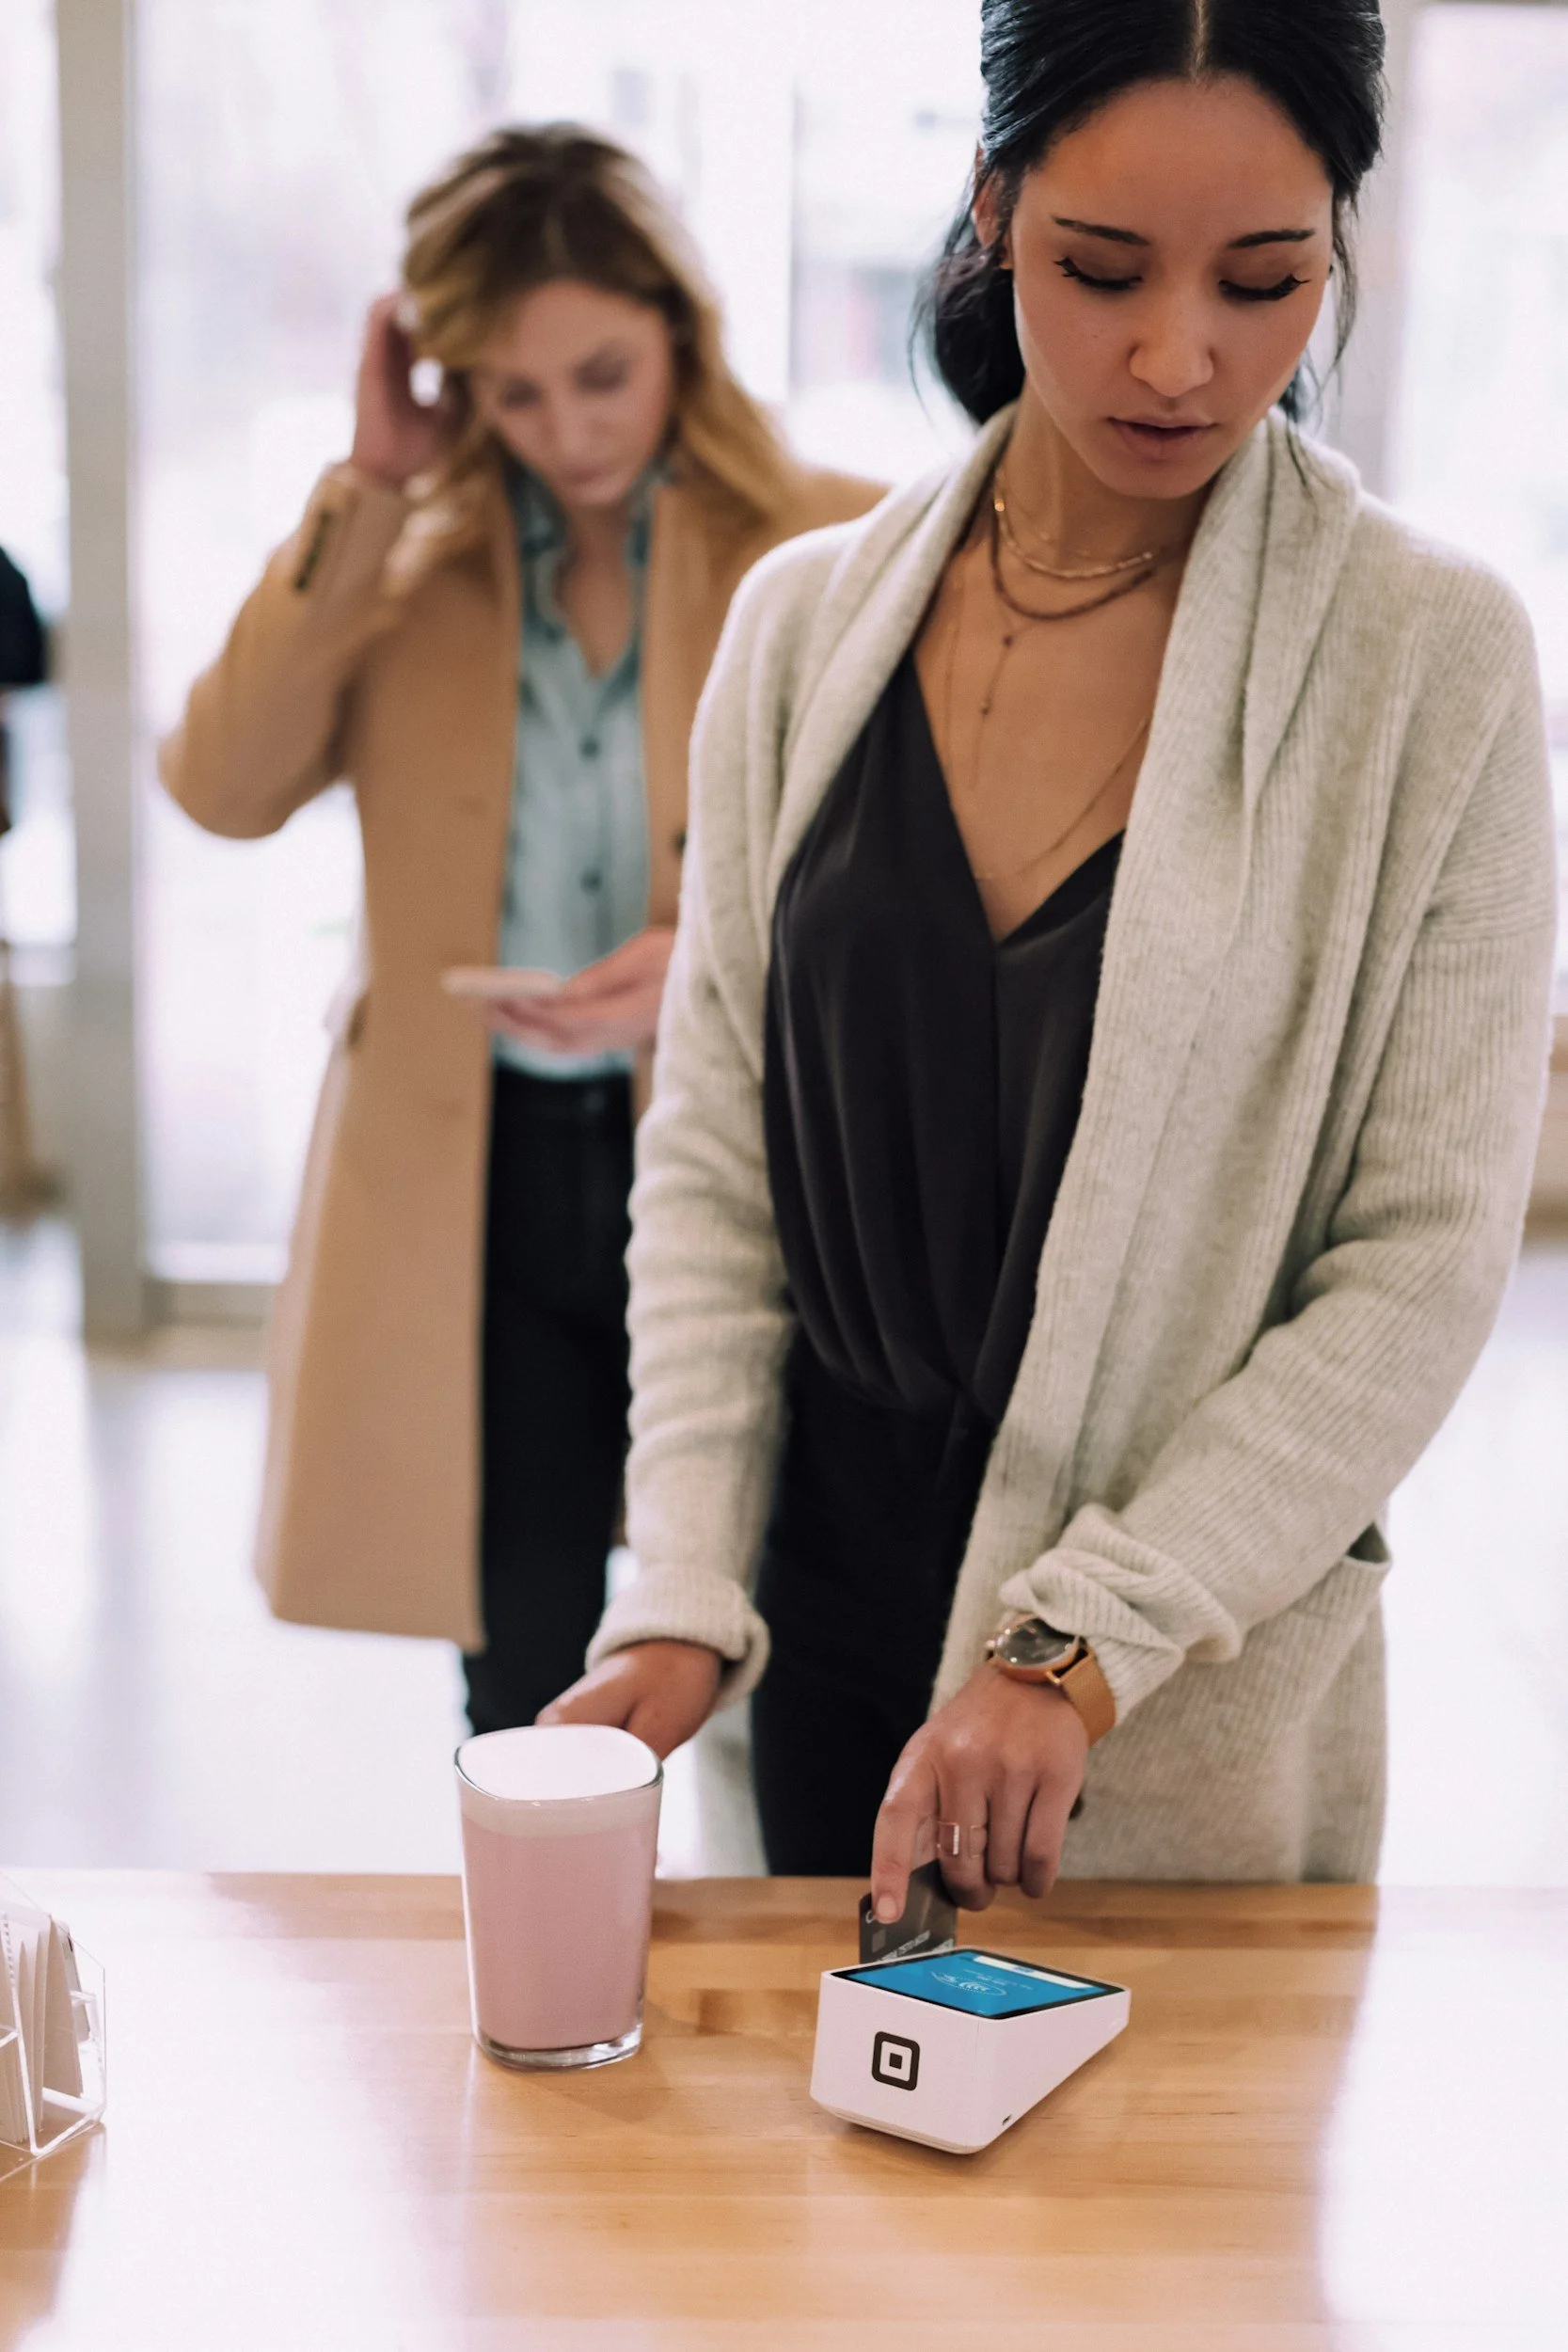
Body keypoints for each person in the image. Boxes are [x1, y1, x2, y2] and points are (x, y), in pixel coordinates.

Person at [542, 0, 1557, 1911]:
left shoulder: (1428, 665)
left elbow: (1416, 1264)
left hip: (1160, 1695)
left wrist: (1074, 1640)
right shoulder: (800, 630)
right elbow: (711, 1170)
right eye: (1101, 269)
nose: (1180, 355)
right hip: (815, 1616)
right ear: (991, 208)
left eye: (1263, 280)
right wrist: (676, 1579)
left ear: (1338, 244)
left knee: (1140, 2203)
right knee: (787, 2195)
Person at [161, 126, 880, 1731]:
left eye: (601, 374)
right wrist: (367, 490)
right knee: (529, 1678)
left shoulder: (830, 544)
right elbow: (219, 786)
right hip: (467, 1180)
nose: (566, 430)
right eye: (513, 390)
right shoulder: (398, 566)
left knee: (788, 1637)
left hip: (732, 1163)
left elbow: (915, 888)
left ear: (680, 330)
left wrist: (698, 971)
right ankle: (558, 1981)